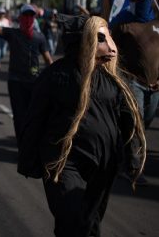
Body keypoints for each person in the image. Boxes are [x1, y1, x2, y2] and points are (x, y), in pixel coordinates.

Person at [17, 15, 146, 237]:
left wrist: (133, 155)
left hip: (103, 166)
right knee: (72, 217)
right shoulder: (56, 75)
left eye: (109, 38)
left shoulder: (115, 80)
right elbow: (34, 119)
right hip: (63, 163)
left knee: (90, 223)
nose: (111, 48)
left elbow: (129, 120)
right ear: (85, 41)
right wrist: (28, 159)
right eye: (101, 39)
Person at [0, 0, 53, 140]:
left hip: (34, 82)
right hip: (16, 82)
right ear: (20, 18)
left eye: (31, 16)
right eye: (26, 15)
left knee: (33, 116)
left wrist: (53, 78)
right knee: (19, 117)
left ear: (34, 18)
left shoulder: (39, 37)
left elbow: (48, 60)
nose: (28, 19)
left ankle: (32, 143)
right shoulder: (13, 33)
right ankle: (23, 146)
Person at [110, 0, 158, 184]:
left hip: (154, 86)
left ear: (150, 2)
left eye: (142, 0)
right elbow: (112, 50)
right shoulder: (125, 25)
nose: (138, 3)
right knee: (136, 122)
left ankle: (122, 155)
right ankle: (133, 169)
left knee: (144, 123)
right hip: (133, 83)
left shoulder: (157, 24)